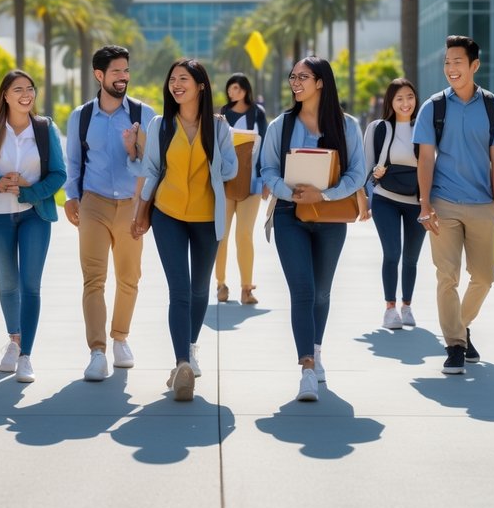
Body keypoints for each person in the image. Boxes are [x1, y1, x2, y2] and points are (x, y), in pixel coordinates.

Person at [260, 56, 366, 402]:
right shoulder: (281, 125)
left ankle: (316, 351)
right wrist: (288, 191)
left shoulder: (347, 126)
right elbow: (267, 169)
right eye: (292, 76)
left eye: (302, 76)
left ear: (321, 81)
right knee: (303, 292)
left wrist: (325, 194)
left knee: (322, 292)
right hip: (290, 215)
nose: (295, 81)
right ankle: (306, 367)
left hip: (331, 216)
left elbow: (357, 174)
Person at [131, 58, 237, 401]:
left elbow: (231, 169)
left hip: (208, 218)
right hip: (168, 215)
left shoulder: (219, 127)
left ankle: (190, 347)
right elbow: (150, 170)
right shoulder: (162, 125)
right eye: (172, 79)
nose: (176, 85)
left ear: (200, 86)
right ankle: (181, 366)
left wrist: (218, 160)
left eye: (183, 79)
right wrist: (139, 212)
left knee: (198, 288)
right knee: (178, 289)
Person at [415, 35, 494, 376]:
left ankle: (461, 325)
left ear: (474, 65)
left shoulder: (493, 107)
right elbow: (425, 158)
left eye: (458, 62)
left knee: (485, 277)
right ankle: (455, 345)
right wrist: (425, 203)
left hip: (481, 205)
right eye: (447, 62)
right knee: (447, 276)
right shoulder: (433, 107)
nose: (451, 68)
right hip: (443, 202)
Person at [0, 70, 66, 384]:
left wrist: (28, 191)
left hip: (35, 216)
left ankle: (26, 357)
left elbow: (59, 175)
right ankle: (14, 340)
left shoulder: (45, 129)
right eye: (18, 89)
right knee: (8, 285)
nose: (26, 94)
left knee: (30, 286)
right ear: (5, 95)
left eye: (30, 88)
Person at [65, 45, 156, 382]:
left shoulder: (144, 115)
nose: (123, 77)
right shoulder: (81, 116)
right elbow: (73, 162)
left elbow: (152, 165)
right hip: (94, 203)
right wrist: (71, 197)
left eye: (126, 70)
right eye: (116, 71)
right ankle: (97, 351)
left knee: (129, 277)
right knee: (94, 278)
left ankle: (121, 338)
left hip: (132, 204)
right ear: (99, 75)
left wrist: (144, 206)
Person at [363, 78, 426, 331]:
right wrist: (373, 179)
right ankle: (390, 309)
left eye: (410, 97)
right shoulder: (379, 128)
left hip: (416, 202)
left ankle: (407, 306)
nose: (405, 103)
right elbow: (366, 166)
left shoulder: (424, 128)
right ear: (390, 101)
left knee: (411, 258)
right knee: (392, 253)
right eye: (399, 98)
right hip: (385, 199)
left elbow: (431, 166)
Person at [215, 73, 268, 306]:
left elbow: (266, 146)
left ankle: (247, 288)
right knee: (221, 236)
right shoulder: (222, 114)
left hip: (253, 182)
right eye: (229, 88)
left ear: (245, 89)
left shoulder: (258, 113)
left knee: (244, 235)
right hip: (225, 183)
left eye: (236, 88)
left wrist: (267, 179)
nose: (231, 92)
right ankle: (221, 284)